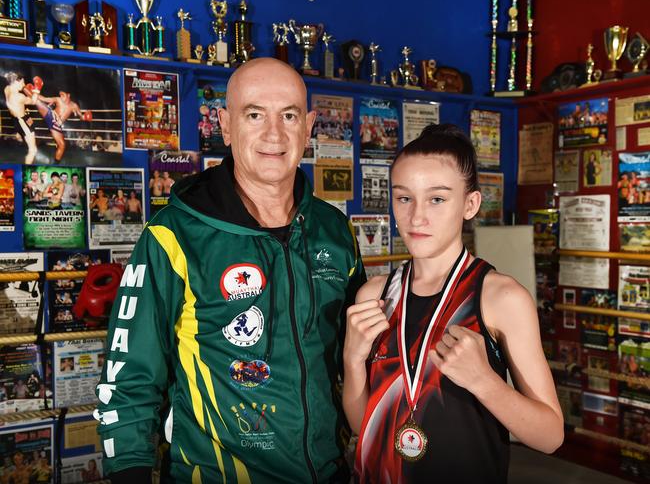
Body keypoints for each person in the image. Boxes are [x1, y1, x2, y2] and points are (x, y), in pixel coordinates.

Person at [94, 57, 365, 483]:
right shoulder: (174, 235)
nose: (274, 134)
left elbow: (360, 358)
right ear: (224, 125)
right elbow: (129, 378)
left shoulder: (334, 232)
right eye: (254, 114)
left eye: (289, 115)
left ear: (309, 125)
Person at [343, 124, 563, 483]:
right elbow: (362, 425)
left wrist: (485, 382)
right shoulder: (375, 296)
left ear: (470, 204)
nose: (417, 216)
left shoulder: (500, 298)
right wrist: (352, 361)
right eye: (404, 198)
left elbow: (550, 436)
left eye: (437, 199)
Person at [32, 91, 91, 162]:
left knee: (62, 145)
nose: (61, 97)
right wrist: (35, 91)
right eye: (61, 95)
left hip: (56, 124)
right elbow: (44, 99)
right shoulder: (58, 99)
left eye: (63, 95)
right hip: (50, 116)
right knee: (38, 102)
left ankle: (56, 164)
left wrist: (84, 117)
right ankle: (28, 89)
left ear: (68, 95)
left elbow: (81, 116)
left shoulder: (74, 105)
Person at [3, 72, 41, 164]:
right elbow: (33, 101)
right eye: (22, 82)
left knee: (22, 132)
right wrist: (37, 89)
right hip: (22, 121)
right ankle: (26, 170)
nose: (24, 85)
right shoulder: (19, 96)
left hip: (17, 119)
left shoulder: (7, 89)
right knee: (33, 151)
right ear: (16, 81)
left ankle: (19, 136)